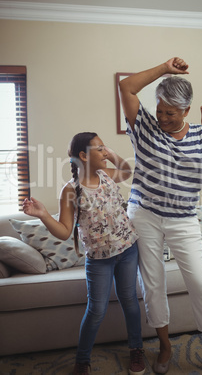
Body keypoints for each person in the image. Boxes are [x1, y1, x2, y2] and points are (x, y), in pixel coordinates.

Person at [119, 57, 202, 375]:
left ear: (186, 112)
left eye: (170, 113)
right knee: (153, 282)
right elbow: (126, 87)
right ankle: (164, 345)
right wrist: (163, 68)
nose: (162, 117)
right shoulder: (145, 126)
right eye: (160, 110)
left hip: (183, 218)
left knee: (201, 282)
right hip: (144, 214)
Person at [23, 132, 146, 375]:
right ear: (83, 156)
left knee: (130, 300)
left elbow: (126, 171)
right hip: (99, 260)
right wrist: (44, 215)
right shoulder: (71, 190)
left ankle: (136, 349)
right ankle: (82, 360)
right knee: (96, 309)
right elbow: (65, 231)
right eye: (99, 149)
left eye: (104, 148)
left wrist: (110, 153)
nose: (104, 152)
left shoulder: (107, 175)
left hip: (128, 249)